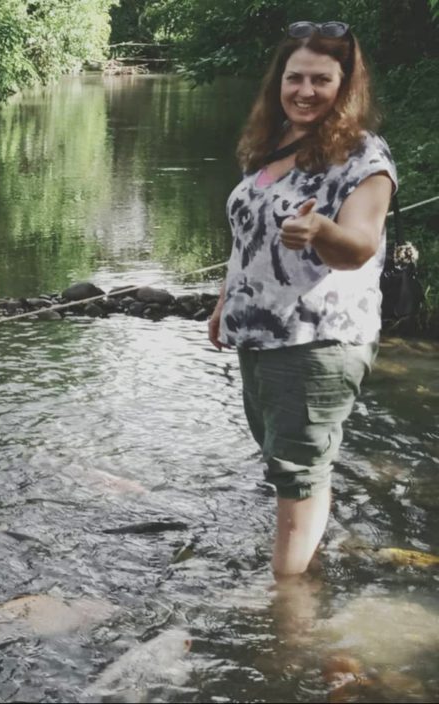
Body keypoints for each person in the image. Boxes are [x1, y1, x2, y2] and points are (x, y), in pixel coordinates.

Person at [208, 22, 397, 576]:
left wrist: (320, 233)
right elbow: (248, 238)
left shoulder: (365, 157)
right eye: (295, 78)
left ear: (345, 86)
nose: (305, 91)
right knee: (287, 465)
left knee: (298, 471)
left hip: (317, 340)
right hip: (260, 335)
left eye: (321, 80)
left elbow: (359, 246)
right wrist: (225, 301)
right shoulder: (270, 147)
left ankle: (289, 606)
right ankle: (301, 570)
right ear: (279, 83)